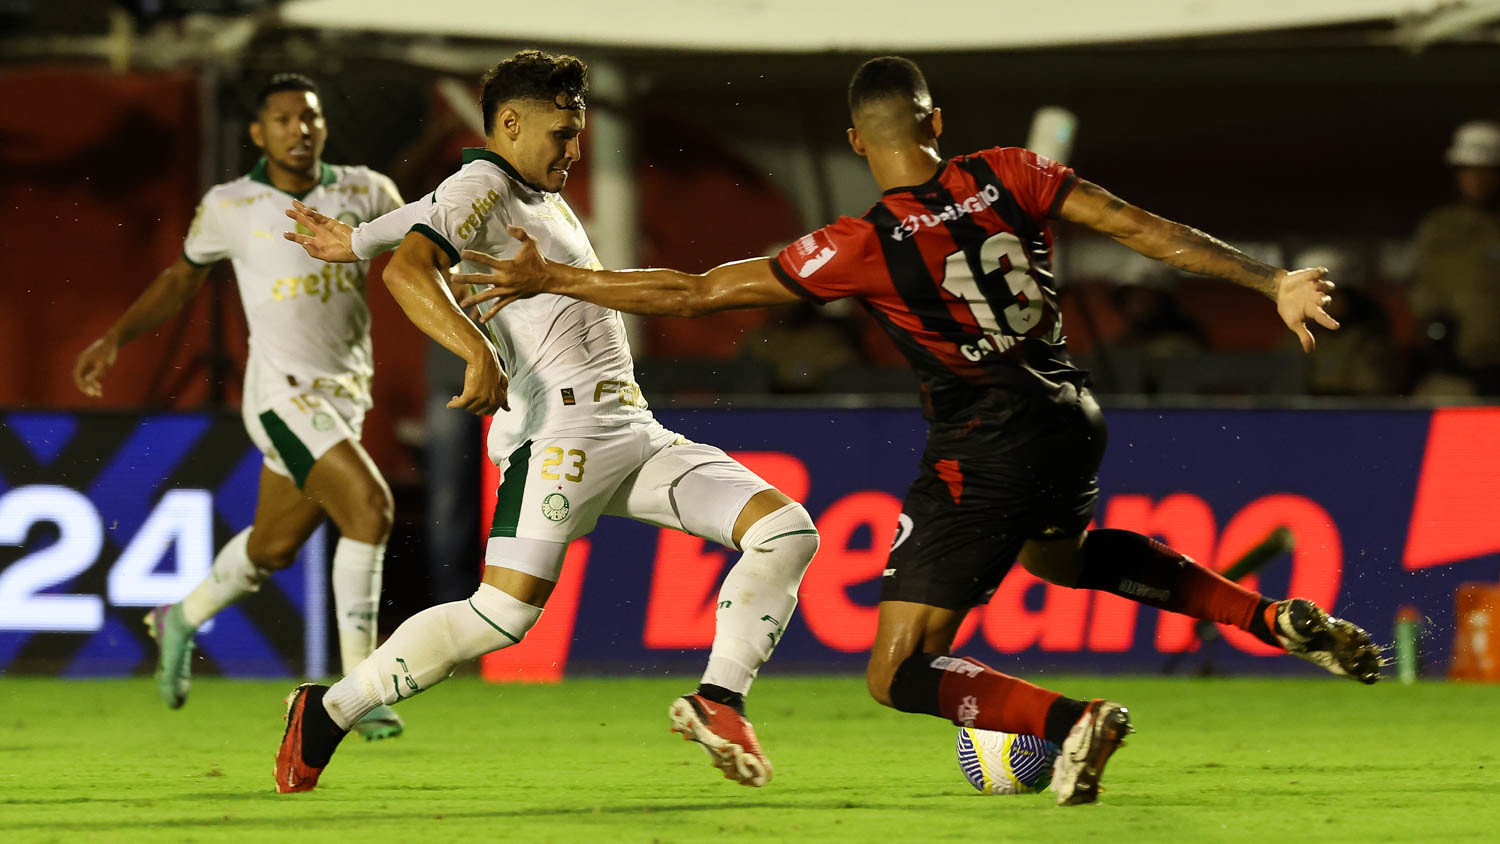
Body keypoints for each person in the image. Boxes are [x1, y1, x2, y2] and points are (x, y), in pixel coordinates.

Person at [456, 56, 1383, 806]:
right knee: (1062, 558)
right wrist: (1271, 283)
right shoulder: (1011, 173)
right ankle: (1265, 614)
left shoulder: (861, 245)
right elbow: (1143, 229)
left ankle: (1071, 723)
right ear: (936, 124)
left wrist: (561, 280)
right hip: (1073, 415)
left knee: (895, 672)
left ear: (857, 142)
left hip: (984, 441)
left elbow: (696, 291)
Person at [272, 50, 819, 795]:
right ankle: (329, 712)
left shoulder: (518, 190)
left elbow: (407, 227)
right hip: (560, 436)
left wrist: (351, 237)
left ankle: (718, 702)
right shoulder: (483, 183)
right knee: (499, 617)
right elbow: (409, 270)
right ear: (509, 122)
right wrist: (475, 352)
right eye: (561, 131)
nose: (574, 147)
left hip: (631, 430)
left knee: (786, 531)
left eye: (579, 130)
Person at [73, 73, 408, 741]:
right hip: (281, 395)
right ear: (258, 133)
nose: (299, 129)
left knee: (274, 547)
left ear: (323, 127)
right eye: (283, 119)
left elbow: (423, 261)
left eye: (308, 117)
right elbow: (181, 278)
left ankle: (180, 616)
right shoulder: (230, 204)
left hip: (346, 393)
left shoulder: (368, 191)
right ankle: (361, 687)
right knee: (370, 510)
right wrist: (118, 336)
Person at [1410, 120, 1500, 395]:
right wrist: (1436, 332)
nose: (1477, 180)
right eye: (1468, 171)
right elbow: (1423, 288)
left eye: (1486, 171)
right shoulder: (1439, 228)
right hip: (1457, 370)